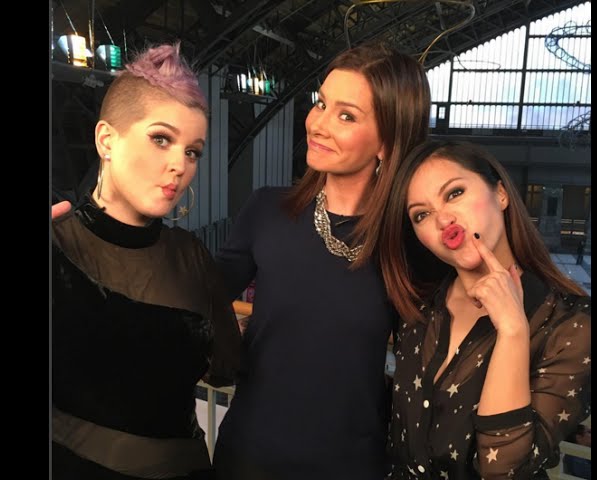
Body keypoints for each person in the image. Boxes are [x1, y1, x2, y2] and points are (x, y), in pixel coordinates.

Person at [210, 42, 445, 480]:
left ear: (387, 142)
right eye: (321, 103)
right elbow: (196, 293)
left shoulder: (410, 243)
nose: (317, 124)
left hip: (351, 463)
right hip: (249, 455)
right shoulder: (267, 210)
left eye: (346, 116)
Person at [52, 44, 243, 480]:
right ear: (106, 140)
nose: (179, 165)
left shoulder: (192, 257)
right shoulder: (57, 246)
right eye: (161, 139)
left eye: (192, 151)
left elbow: (227, 367)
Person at [379, 140, 591, 479]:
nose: (443, 219)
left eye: (454, 193)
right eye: (421, 214)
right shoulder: (416, 308)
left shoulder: (572, 325)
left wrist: (513, 331)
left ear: (501, 194)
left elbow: (503, 469)